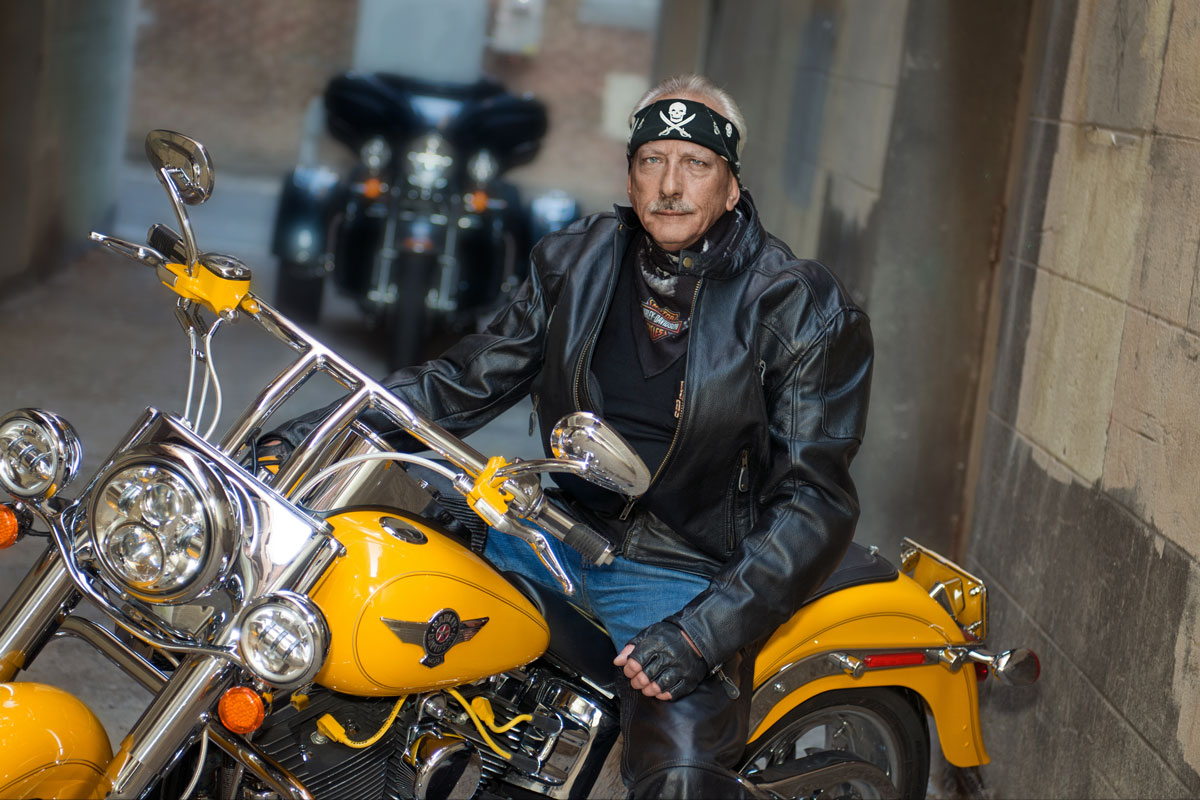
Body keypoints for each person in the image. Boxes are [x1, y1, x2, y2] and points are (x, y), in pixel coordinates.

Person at [270, 73, 873, 798]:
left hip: (681, 570)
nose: (671, 185)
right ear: (630, 174)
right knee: (355, 623)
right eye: (653, 160)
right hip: (547, 528)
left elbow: (814, 502)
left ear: (731, 187)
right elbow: (459, 384)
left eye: (696, 164)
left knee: (677, 776)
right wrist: (310, 438)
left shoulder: (800, 306)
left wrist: (700, 634)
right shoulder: (579, 259)